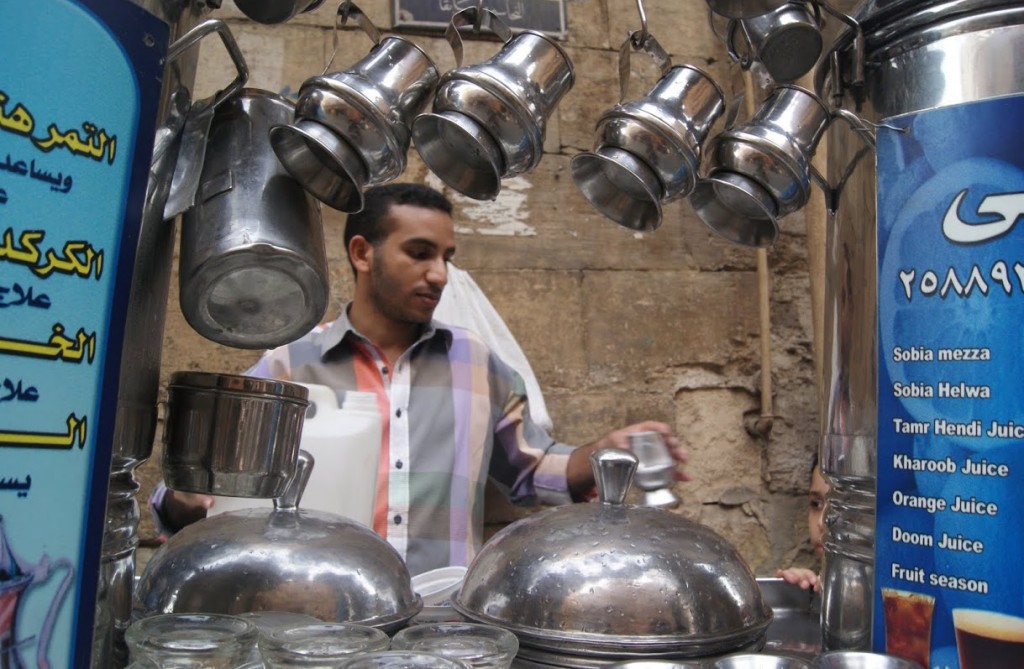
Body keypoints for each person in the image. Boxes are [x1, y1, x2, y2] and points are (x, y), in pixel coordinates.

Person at [153, 182, 688, 575]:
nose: (439, 274)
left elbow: (532, 470)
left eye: (446, 257)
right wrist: (194, 498)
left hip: (443, 631)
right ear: (363, 253)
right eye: (419, 253)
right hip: (322, 628)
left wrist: (603, 452)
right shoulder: (289, 367)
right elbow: (188, 498)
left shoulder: (477, 364)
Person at [775, 457, 828, 592]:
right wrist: (800, 597)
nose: (822, 523)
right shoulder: (814, 584)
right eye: (816, 504)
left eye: (841, 507)